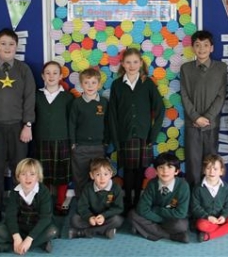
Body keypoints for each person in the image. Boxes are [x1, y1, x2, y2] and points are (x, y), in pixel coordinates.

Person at [108, 48, 165, 210]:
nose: (132, 65)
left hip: (143, 136)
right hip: (124, 136)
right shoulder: (117, 85)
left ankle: (138, 201)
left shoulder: (147, 83)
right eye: (128, 62)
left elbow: (160, 108)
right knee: (127, 170)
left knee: (140, 170)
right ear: (122, 65)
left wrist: (152, 136)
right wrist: (116, 140)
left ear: (141, 63)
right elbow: (112, 115)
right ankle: (127, 202)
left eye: (135, 62)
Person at [180, 30, 227, 188]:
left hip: (211, 125)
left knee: (211, 165)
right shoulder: (186, 68)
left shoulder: (220, 68)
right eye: (198, 45)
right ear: (192, 48)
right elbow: (184, 95)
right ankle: (194, 202)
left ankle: (209, 199)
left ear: (212, 48)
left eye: (206, 45)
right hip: (192, 124)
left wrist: (207, 117)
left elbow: (221, 95)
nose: (202, 49)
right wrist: (196, 117)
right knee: (193, 164)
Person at [0, 28, 35, 220]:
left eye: (11, 44)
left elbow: (29, 99)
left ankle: (19, 210)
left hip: (18, 128)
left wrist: (27, 125)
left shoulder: (23, 70)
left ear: (16, 46)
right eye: (3, 43)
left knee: (20, 171)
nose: (7, 47)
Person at [34, 61, 74, 215]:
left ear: (61, 76)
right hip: (42, 140)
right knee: (43, 173)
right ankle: (44, 204)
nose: (51, 76)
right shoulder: (37, 95)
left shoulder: (67, 97)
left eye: (55, 73)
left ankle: (60, 203)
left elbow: (71, 120)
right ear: (43, 76)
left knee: (61, 173)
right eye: (48, 73)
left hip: (62, 139)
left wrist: (72, 140)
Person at [128, 152, 190, 243]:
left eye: (170, 167)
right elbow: (142, 208)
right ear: (156, 171)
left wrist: (157, 210)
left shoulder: (183, 186)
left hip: (170, 219)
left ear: (176, 171)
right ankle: (170, 236)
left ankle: (145, 230)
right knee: (132, 214)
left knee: (180, 225)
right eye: (161, 167)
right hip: (155, 217)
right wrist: (159, 219)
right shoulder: (152, 184)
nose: (165, 171)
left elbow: (181, 213)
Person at [0, 158, 58, 253]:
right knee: (1, 230)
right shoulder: (15, 193)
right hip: (20, 228)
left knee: (53, 231)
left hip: (37, 228)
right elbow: (10, 217)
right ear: (18, 177)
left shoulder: (44, 192)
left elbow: (45, 218)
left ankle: (15, 247)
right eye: (23, 174)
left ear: (38, 177)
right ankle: (38, 243)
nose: (28, 178)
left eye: (32, 174)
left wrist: (29, 239)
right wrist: (16, 237)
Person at [69, 67, 108, 199]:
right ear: (81, 84)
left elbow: (108, 123)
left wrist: (106, 142)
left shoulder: (103, 102)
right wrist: (73, 143)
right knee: (80, 177)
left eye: (93, 82)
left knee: (98, 177)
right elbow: (72, 124)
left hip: (98, 146)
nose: (90, 86)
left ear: (99, 84)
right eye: (86, 82)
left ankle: (97, 201)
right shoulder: (77, 103)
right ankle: (81, 201)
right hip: (80, 147)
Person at [68, 157, 124, 239]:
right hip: (92, 218)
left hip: (107, 217)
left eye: (106, 174)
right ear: (92, 175)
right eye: (98, 174)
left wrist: (103, 216)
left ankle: (82, 233)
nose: (102, 178)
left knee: (118, 220)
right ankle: (105, 231)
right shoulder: (87, 188)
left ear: (111, 174)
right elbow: (82, 206)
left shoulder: (116, 188)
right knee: (75, 219)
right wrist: (89, 217)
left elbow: (118, 208)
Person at [191, 154, 228, 242]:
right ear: (204, 170)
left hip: (221, 219)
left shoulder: (225, 187)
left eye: (215, 169)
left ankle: (208, 236)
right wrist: (207, 217)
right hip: (206, 219)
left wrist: (224, 216)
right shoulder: (198, 188)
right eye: (208, 168)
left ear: (221, 171)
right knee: (201, 225)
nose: (212, 172)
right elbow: (195, 207)